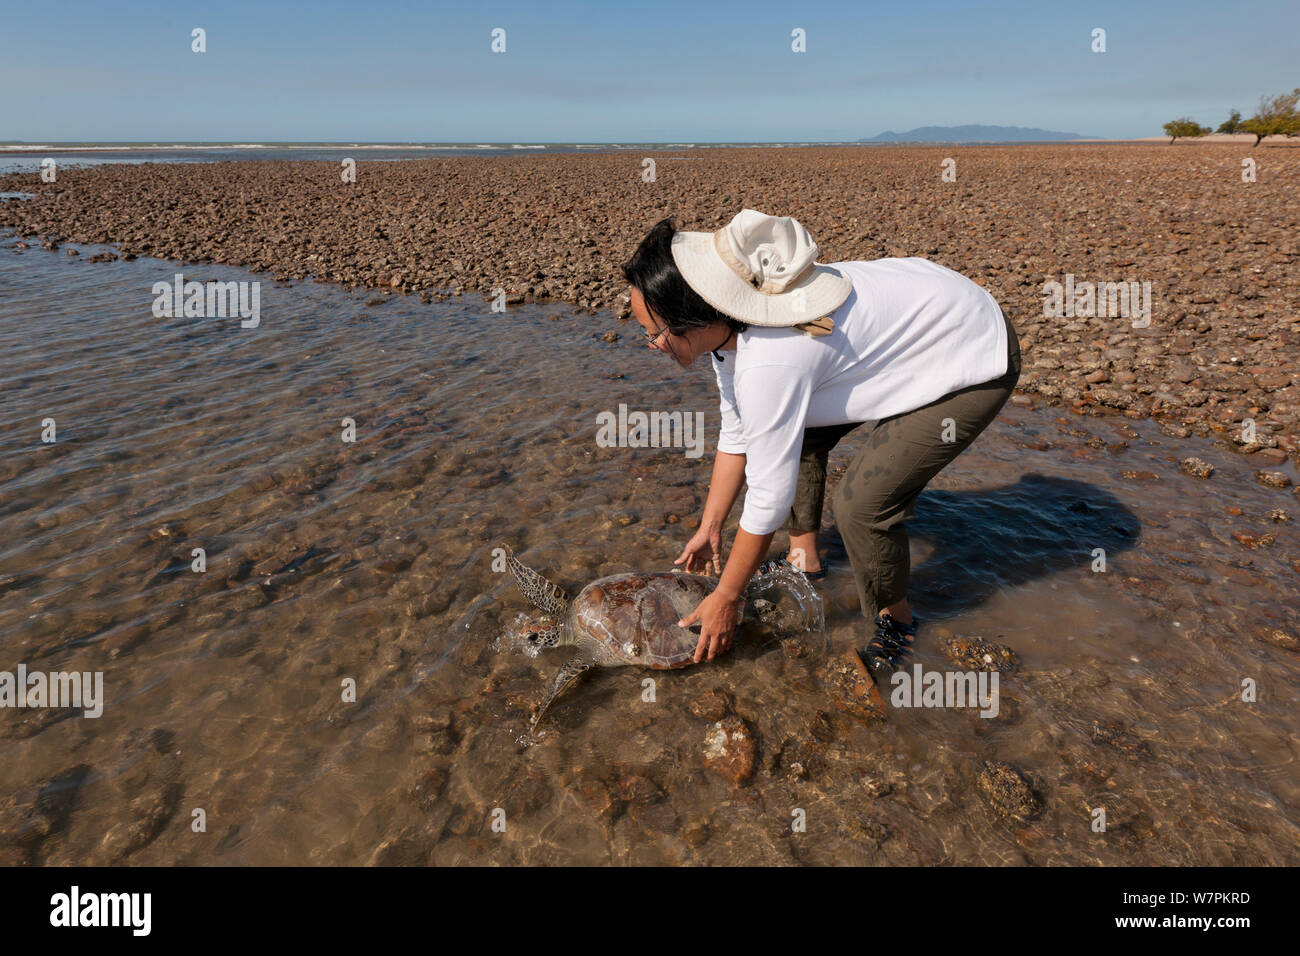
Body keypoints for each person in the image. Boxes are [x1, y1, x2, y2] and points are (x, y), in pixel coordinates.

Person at [620, 209, 1021, 673]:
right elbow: (740, 431)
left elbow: (769, 495)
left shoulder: (771, 360)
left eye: (655, 334)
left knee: (864, 506)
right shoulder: (730, 326)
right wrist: (711, 526)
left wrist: (727, 597)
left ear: (694, 318)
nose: (652, 346)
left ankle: (898, 620)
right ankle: (804, 559)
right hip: (915, 330)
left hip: (973, 350)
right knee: (795, 433)